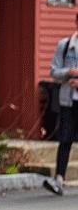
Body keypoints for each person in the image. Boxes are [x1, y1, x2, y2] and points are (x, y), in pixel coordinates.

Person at [46, 12, 78, 195]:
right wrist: (69, 72)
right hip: (67, 100)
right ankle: (59, 179)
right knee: (64, 139)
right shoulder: (65, 46)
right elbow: (54, 71)